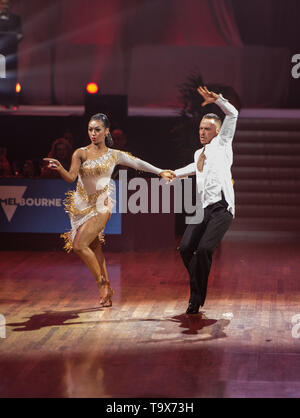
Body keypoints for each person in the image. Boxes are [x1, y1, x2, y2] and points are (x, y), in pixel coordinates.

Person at [44, 113, 173, 308]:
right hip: (80, 206)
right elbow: (71, 178)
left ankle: (102, 284)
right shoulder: (80, 153)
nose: (93, 133)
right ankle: (107, 291)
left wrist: (159, 171)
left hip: (101, 205)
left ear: (106, 131)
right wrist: (61, 168)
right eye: (90, 129)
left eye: (97, 129)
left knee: (79, 245)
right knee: (94, 247)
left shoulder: (114, 155)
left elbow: (137, 162)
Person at [169, 86, 238, 314]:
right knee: (186, 248)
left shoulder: (223, 143)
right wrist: (174, 173)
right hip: (203, 209)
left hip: (221, 209)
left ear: (217, 132)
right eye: (200, 128)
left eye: (207, 129)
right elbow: (193, 169)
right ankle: (199, 284)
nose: (202, 132)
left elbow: (233, 114)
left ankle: (195, 298)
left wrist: (218, 100)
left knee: (205, 249)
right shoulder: (199, 154)